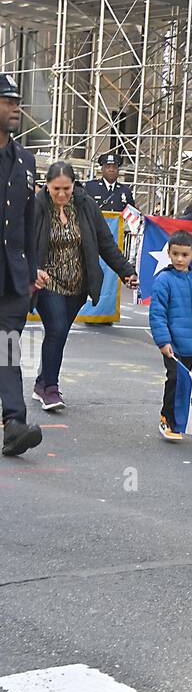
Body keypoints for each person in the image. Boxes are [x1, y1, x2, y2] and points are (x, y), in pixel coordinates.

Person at [32, 162, 138, 411]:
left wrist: (126, 272)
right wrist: (32, 270)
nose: (61, 194)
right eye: (55, 188)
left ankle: (41, 381)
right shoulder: (37, 206)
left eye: (66, 188)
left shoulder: (85, 205)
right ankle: (50, 389)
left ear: (74, 185)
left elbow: (105, 242)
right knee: (56, 328)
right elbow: (24, 242)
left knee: (59, 334)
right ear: (47, 185)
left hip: (78, 285)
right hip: (47, 282)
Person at [0, 72, 42, 458]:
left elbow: (29, 222)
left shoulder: (25, 160)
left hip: (12, 277)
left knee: (8, 349)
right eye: (7, 101)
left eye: (16, 102)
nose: (16, 107)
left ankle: (14, 423)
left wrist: (30, 274)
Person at [147, 229, 192, 442]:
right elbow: (157, 313)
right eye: (175, 254)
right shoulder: (163, 280)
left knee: (183, 380)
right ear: (168, 253)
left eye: (184, 255)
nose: (179, 259)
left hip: (191, 343)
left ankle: (179, 418)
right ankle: (167, 418)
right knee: (174, 378)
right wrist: (163, 340)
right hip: (173, 342)